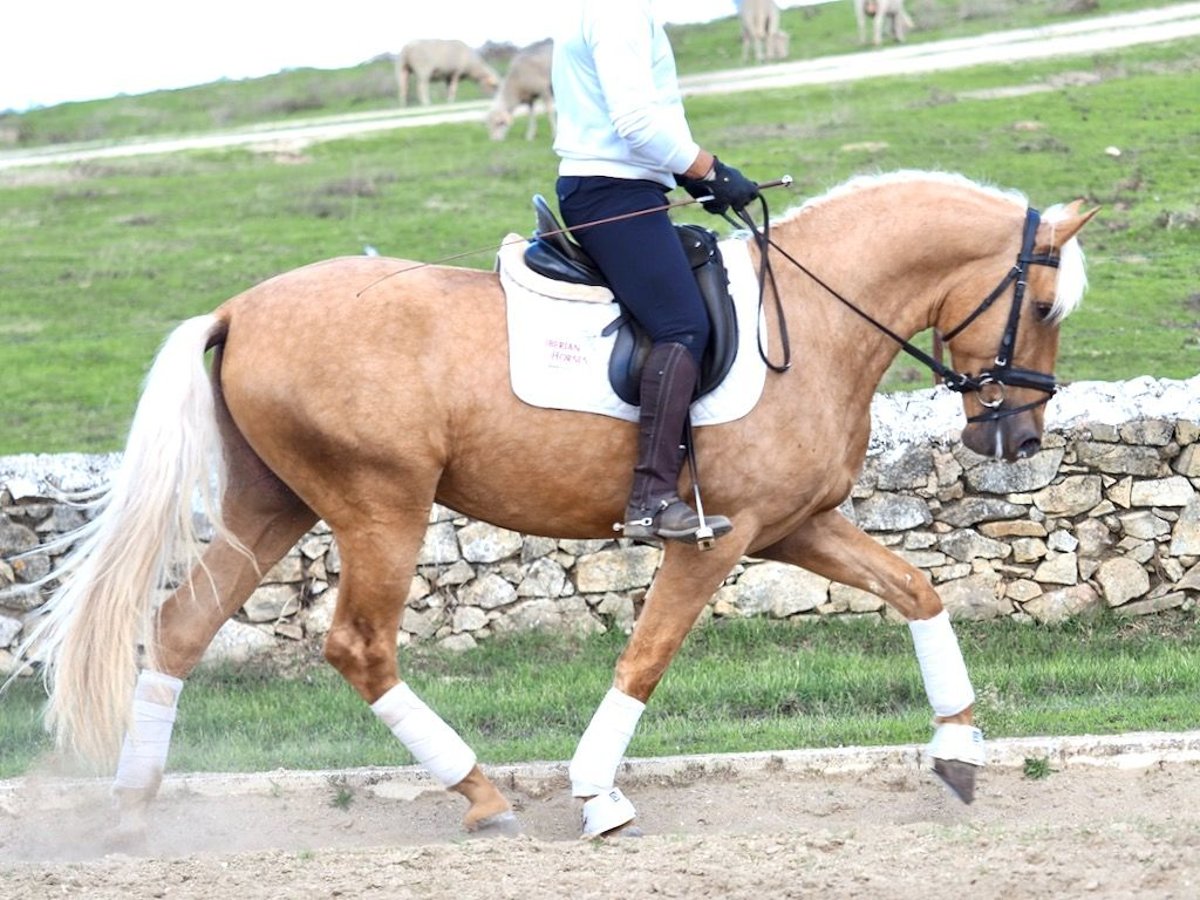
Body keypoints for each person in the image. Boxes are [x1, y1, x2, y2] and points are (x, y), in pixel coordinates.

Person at [551, 0, 761, 545]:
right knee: (682, 325)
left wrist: (689, 178)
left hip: (625, 185)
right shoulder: (619, 14)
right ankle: (650, 499)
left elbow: (643, 118)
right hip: (610, 191)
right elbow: (637, 121)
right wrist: (711, 169)